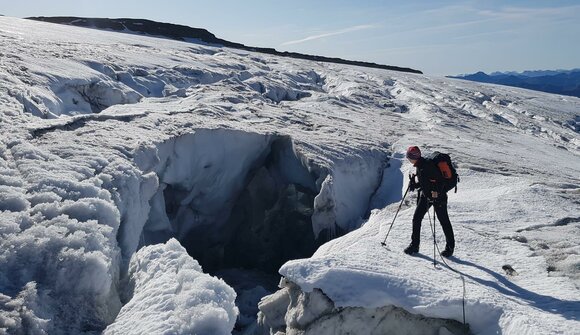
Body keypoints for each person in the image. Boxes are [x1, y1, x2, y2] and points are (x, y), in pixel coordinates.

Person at [404, 146, 455, 257]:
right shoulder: (419, 165)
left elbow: (440, 182)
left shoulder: (426, 166)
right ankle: (414, 245)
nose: (408, 159)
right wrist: (415, 184)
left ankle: (450, 248)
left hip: (438, 198)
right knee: (416, 218)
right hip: (426, 196)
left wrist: (435, 193)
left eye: (409, 157)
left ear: (413, 157)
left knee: (444, 221)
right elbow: (426, 182)